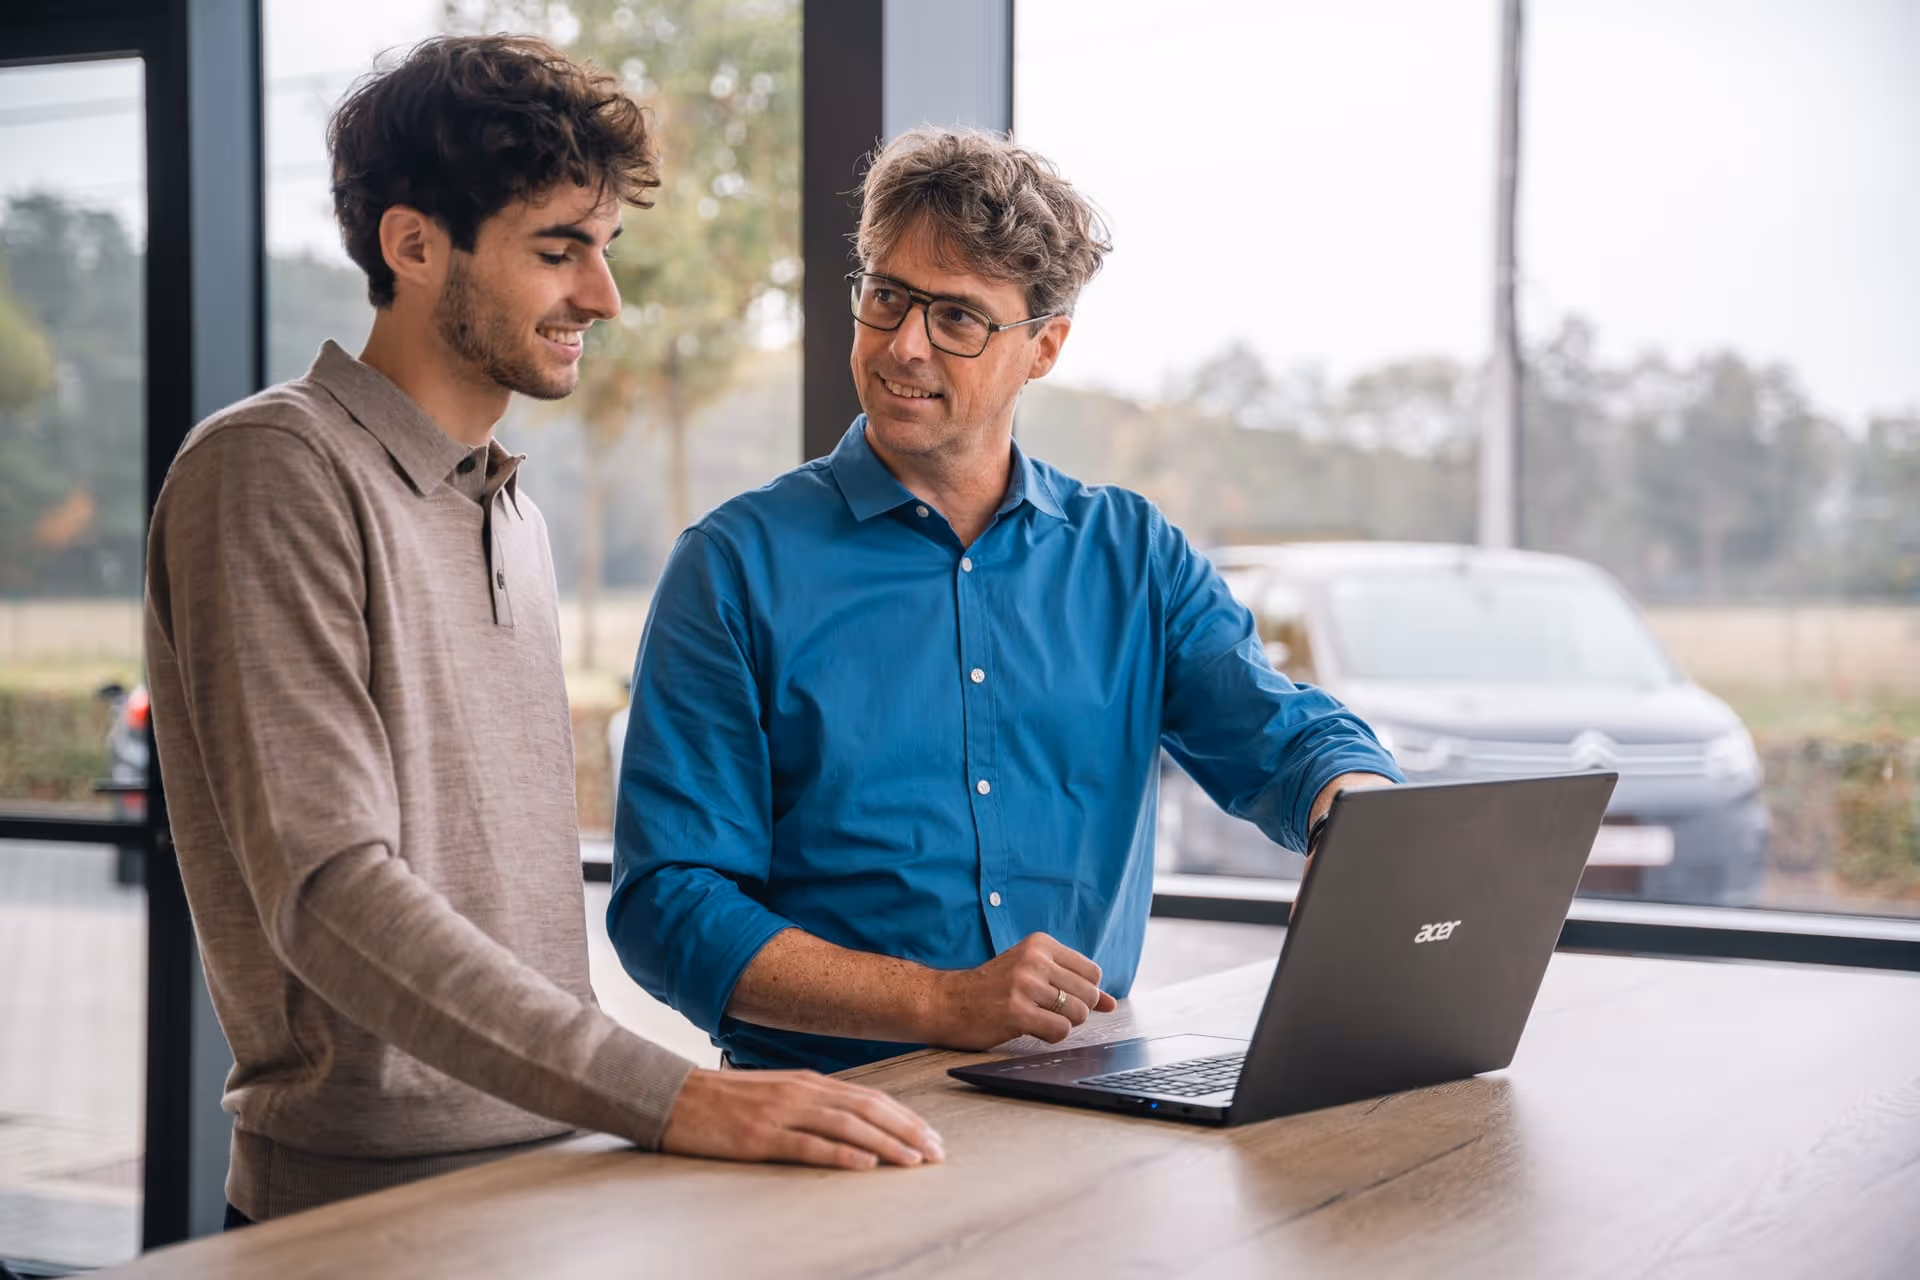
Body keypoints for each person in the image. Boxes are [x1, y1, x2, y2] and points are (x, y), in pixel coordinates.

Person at [144, 35, 941, 1227]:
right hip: (360, 1216)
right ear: (413, 244)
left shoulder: (509, 508)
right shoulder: (273, 469)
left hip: (550, 1180)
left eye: (604, 249)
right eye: (558, 250)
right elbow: (328, 887)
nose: (603, 297)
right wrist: (671, 1093)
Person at [609, 127, 1403, 1075]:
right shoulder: (733, 567)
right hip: (827, 1112)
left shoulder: (1133, 555)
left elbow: (1281, 736)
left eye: (958, 318)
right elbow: (669, 905)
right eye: (887, 297)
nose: (904, 345)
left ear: (1044, 348)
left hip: (1087, 1095)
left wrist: (1352, 811)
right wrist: (941, 1002)